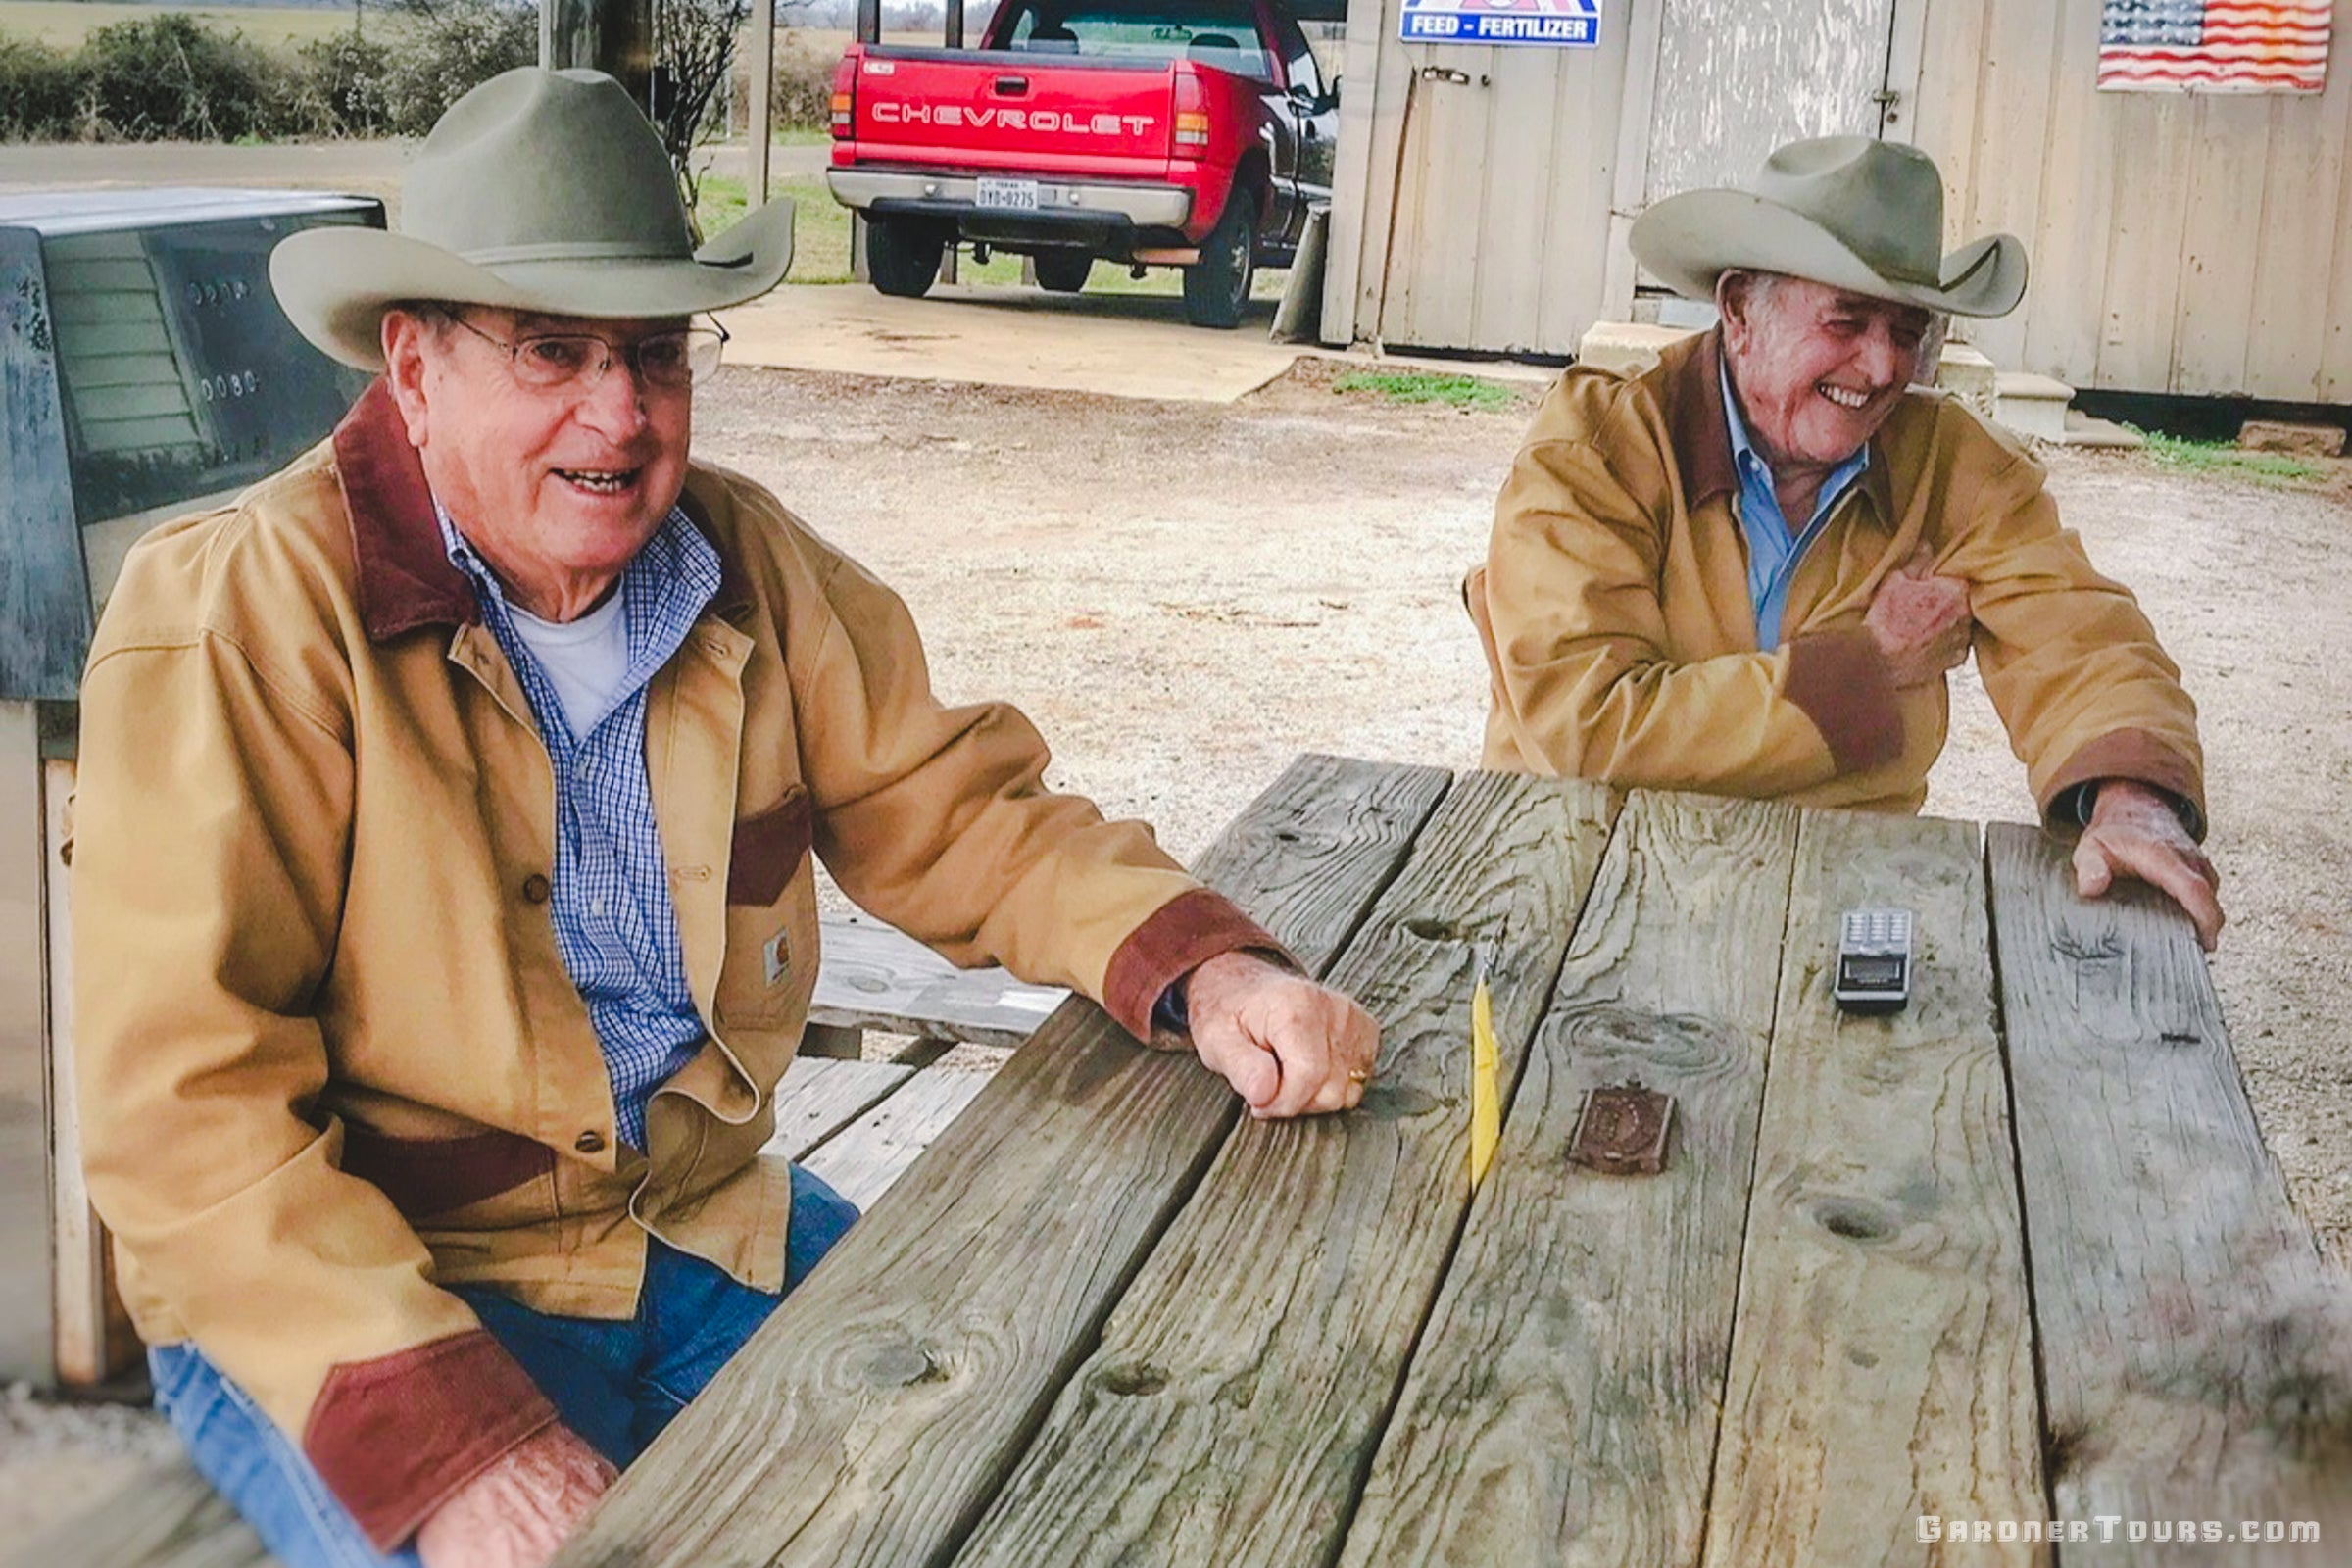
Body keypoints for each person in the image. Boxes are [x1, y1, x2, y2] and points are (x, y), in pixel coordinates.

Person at [70, 69, 1377, 1568]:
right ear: (412, 371)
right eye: (551, 351)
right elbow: (186, 1122)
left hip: (681, 1224)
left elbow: (962, 817)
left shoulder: (743, 562)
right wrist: (467, 1452)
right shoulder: (240, 616)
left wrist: (1215, 970)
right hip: (357, 1292)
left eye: (654, 352)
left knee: (1055, 1461)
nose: (618, 415)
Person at [1467, 136, 2222, 948]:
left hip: (1830, 901)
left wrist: (2130, 793)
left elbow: (2077, 637)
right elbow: (1588, 727)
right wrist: (1867, 668)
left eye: (1908, 330)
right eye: (1846, 321)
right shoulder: (1597, 450)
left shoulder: (1954, 464)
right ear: (1738, 309)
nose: (1881, 365)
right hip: (1580, 882)